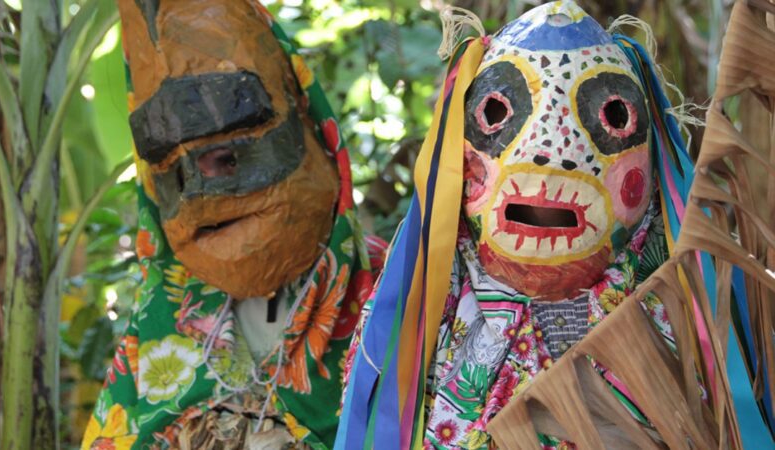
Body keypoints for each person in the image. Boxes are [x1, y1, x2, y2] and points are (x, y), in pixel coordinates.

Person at [336, 2, 695, 448]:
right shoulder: (417, 317)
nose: (551, 156)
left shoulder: (692, 313)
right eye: (496, 112)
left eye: (613, 115)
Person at [81, 1, 385, 448]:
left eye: (229, 157)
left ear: (312, 127)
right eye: (176, 172)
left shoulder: (397, 295)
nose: (202, 196)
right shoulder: (160, 328)